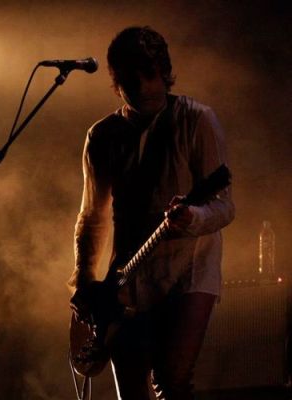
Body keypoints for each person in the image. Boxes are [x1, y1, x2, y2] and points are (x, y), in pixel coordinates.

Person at [68, 26, 235, 400]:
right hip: (128, 279)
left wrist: (193, 219)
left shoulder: (197, 120)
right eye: (131, 80)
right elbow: (91, 217)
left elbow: (225, 205)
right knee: (131, 389)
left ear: (165, 72)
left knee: (172, 381)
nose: (143, 88)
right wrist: (83, 280)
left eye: (150, 76)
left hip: (190, 270)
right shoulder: (102, 136)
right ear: (116, 82)